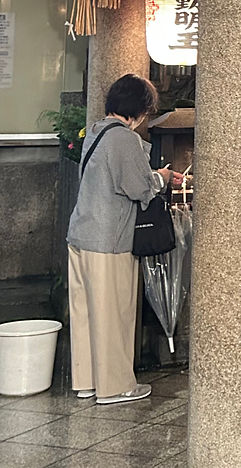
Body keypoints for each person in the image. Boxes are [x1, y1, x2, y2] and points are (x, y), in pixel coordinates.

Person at [67, 75, 184, 404]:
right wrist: (160, 178)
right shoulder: (123, 139)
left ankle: (88, 380)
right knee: (112, 314)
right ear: (141, 109)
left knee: (86, 313)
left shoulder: (95, 131)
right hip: (109, 241)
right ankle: (115, 386)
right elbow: (137, 188)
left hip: (80, 234)